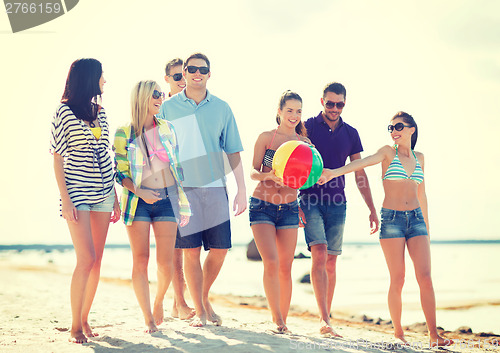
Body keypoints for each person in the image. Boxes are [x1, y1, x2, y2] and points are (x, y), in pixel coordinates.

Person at [318, 112, 453, 347]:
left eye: (398, 126)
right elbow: (361, 162)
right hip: (392, 220)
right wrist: (333, 172)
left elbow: (422, 195)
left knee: (425, 278)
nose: (393, 131)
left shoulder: (420, 157)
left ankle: (434, 335)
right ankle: (399, 332)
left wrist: (427, 229)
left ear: (412, 129)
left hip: (417, 220)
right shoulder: (386, 153)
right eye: (390, 127)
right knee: (398, 278)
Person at [158, 52, 247, 327]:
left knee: (220, 249)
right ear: (183, 73)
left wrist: (241, 189)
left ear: (210, 74)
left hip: (216, 187)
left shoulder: (222, 108)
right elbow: (157, 150)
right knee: (191, 251)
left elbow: (232, 151)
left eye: (203, 69)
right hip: (183, 191)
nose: (197, 73)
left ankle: (203, 298)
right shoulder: (168, 108)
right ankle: (199, 310)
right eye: (192, 69)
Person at [299, 82, 379, 337]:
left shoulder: (351, 133)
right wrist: (292, 201)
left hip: (338, 203)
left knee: (331, 262)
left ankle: (327, 315)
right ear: (322, 101)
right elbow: (291, 163)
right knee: (319, 253)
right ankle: (323, 319)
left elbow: (359, 172)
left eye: (340, 104)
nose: (334, 108)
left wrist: (371, 208)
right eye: (330, 103)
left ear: (345, 103)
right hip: (309, 200)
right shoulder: (307, 126)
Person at [50, 58, 120, 343]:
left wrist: (114, 197)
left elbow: (106, 155)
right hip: (77, 194)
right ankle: (74, 327)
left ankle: (85, 320)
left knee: (97, 260)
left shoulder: (100, 113)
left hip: (103, 192)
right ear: (89, 78)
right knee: (86, 258)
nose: (105, 80)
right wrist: (65, 199)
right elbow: (57, 157)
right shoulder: (63, 112)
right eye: (102, 76)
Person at [113, 80, 191, 333]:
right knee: (141, 259)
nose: (160, 98)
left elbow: (177, 167)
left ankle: (158, 303)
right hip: (138, 202)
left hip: (167, 199)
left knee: (166, 262)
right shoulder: (124, 132)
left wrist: (182, 200)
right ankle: (148, 317)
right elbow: (121, 172)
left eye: (161, 94)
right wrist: (141, 192)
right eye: (156, 94)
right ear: (143, 97)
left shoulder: (168, 128)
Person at [249, 91, 310, 333]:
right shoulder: (266, 138)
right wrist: (269, 176)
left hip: (289, 209)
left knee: (286, 266)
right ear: (279, 111)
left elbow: (308, 178)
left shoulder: (304, 145)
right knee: (271, 262)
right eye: (290, 110)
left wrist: (298, 191)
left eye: (298, 111)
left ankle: (283, 319)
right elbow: (253, 171)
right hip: (262, 205)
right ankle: (278, 320)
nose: (294, 115)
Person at [163, 57, 195, 320]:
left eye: (183, 75)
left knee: (187, 246)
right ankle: (180, 302)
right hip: (169, 185)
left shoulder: (191, 106)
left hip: (193, 183)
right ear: (167, 80)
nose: (182, 81)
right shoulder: (161, 108)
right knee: (174, 247)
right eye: (177, 77)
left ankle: (177, 303)